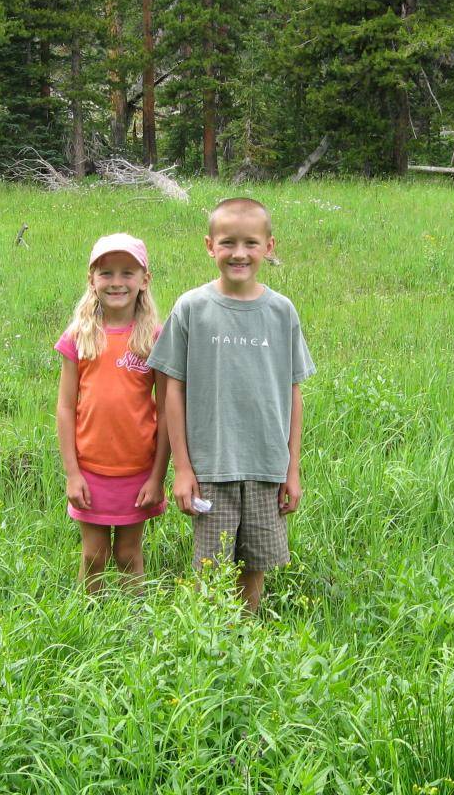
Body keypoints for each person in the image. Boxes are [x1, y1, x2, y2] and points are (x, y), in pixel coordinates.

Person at [146, 198, 315, 612]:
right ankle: (209, 642)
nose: (239, 253)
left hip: (266, 465)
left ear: (269, 247)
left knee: (255, 564)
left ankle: (247, 637)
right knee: (210, 567)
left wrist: (291, 469)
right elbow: (172, 390)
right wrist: (183, 469)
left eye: (251, 243)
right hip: (211, 468)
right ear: (209, 246)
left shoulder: (281, 312)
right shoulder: (191, 308)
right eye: (228, 243)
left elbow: (294, 393)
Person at [55, 233, 169, 593]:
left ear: (144, 279)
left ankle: (134, 624)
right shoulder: (80, 336)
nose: (117, 282)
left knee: (128, 554)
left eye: (127, 273)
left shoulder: (153, 337)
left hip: (137, 472)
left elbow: (167, 412)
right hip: (91, 471)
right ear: (92, 279)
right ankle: (88, 623)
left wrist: (157, 477)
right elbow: (64, 407)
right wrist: (73, 473)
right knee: (94, 555)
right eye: (106, 273)